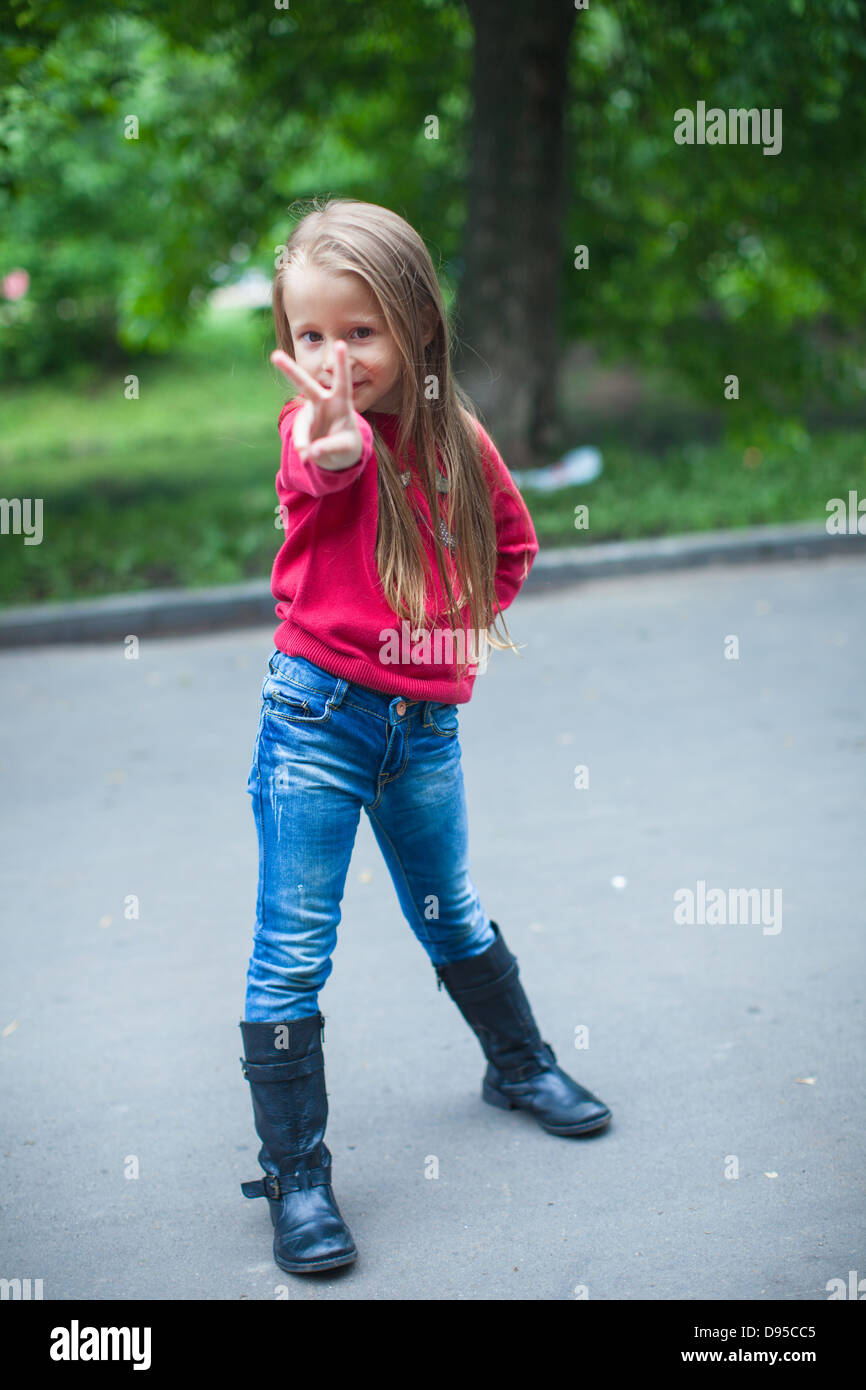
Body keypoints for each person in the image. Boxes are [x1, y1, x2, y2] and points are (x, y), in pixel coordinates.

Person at [238, 197, 611, 1277]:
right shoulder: (313, 430)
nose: (334, 358)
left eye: (359, 332)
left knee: (452, 908)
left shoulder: (458, 437)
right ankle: (296, 1176)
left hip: (425, 731)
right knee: (292, 953)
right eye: (310, 335)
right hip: (315, 722)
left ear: (414, 323)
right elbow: (323, 465)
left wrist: (450, 632)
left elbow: (511, 546)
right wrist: (332, 444)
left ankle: (518, 1065)